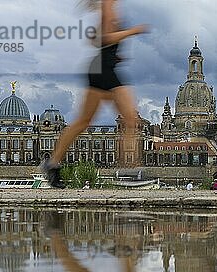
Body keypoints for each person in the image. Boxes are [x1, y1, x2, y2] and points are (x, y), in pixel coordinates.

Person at [41, 0, 148, 188]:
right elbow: (106, 38)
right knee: (130, 117)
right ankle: (130, 169)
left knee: (84, 121)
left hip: (102, 68)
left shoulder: (109, 7)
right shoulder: (108, 4)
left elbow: (95, 39)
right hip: (103, 70)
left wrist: (115, 52)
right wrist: (133, 31)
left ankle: (52, 163)